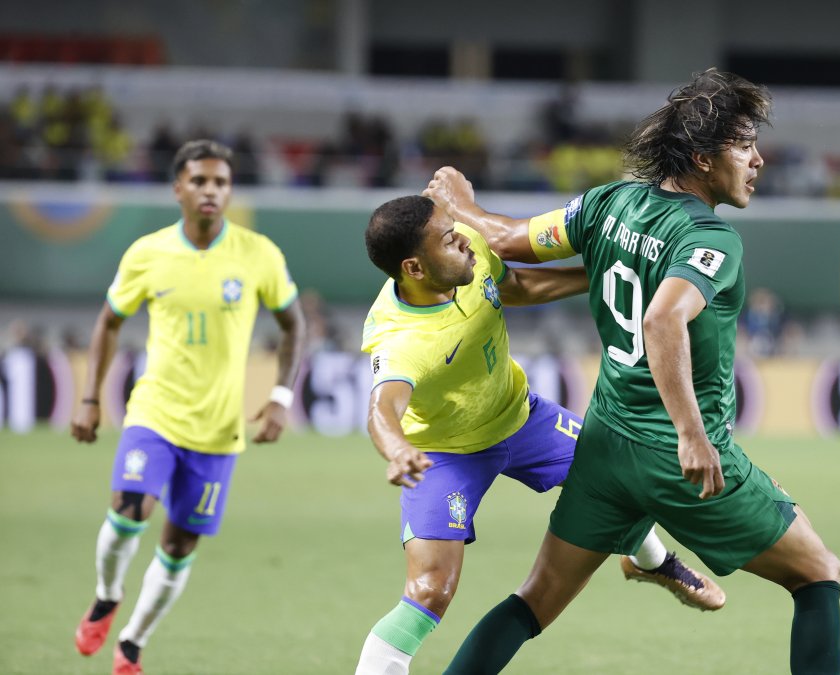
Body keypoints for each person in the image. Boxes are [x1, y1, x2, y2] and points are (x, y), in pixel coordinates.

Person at [425, 68, 840, 674]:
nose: (758, 161)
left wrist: (461, 205)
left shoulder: (608, 204)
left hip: (604, 446)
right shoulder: (710, 238)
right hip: (675, 459)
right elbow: (662, 320)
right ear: (703, 158)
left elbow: (510, 240)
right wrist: (692, 435)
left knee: (535, 599)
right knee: (818, 573)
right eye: (745, 147)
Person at [353, 195, 724, 675]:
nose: (463, 239)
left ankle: (650, 561)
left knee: (626, 470)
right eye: (447, 238)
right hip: (446, 455)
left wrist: (600, 273)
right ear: (414, 268)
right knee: (430, 591)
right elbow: (382, 409)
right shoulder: (400, 340)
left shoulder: (468, 253)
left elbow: (517, 285)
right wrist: (398, 449)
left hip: (522, 418)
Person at [70, 139, 305, 675]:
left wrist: (280, 397)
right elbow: (109, 321)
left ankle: (132, 641)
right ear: (178, 188)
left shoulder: (259, 254)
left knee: (178, 547)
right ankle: (107, 595)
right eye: (199, 180)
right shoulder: (147, 253)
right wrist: (88, 397)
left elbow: (295, 325)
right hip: (155, 412)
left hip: (218, 429)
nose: (210, 190)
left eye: (221, 182)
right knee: (129, 510)